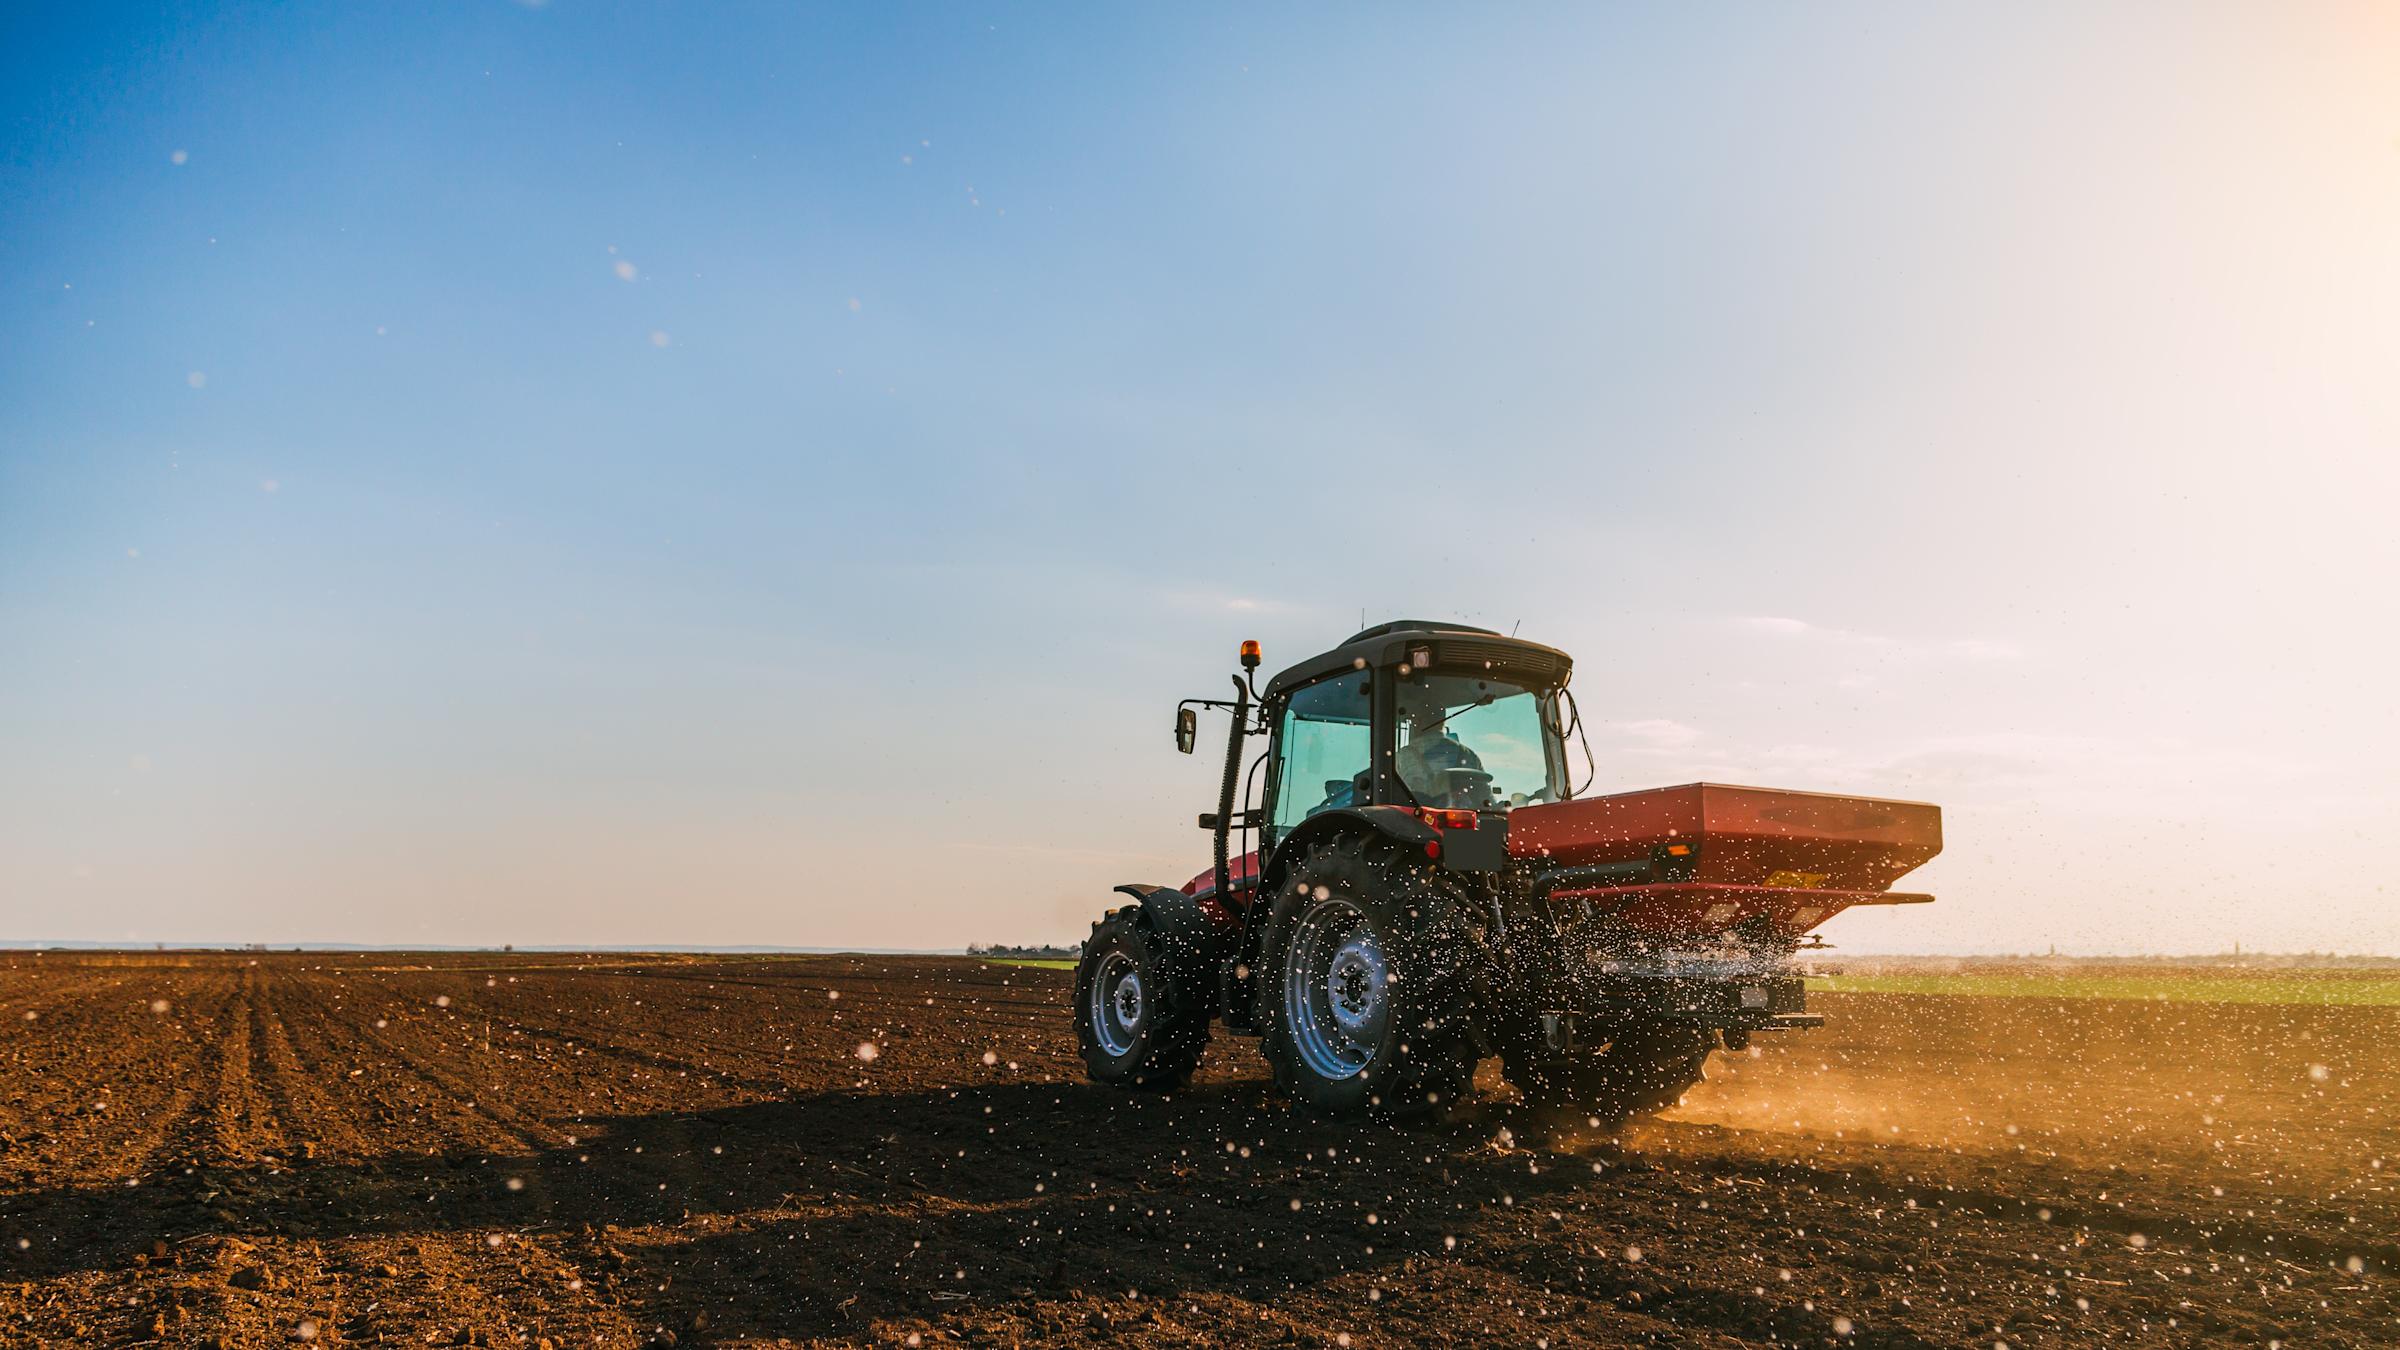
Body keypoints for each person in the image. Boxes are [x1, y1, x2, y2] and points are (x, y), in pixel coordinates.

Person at [1396, 690, 1487, 806]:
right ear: (1443, 721)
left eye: (1413, 720)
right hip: (1466, 818)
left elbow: (1396, 797)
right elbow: (1485, 798)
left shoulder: (1404, 756)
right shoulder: (1469, 755)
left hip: (1421, 820)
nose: (1413, 723)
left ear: (1418, 721)